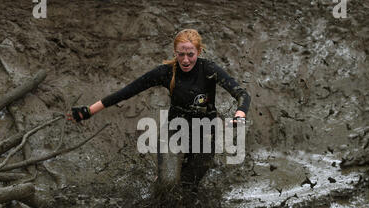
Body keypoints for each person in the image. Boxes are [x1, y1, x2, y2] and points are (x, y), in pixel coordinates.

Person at [68, 29, 251, 193]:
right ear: (175, 53)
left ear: (199, 52)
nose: (185, 60)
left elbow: (242, 94)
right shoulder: (166, 72)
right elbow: (128, 91)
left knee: (188, 188)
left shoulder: (209, 69)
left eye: (190, 54)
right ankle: (161, 183)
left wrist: (240, 113)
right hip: (175, 131)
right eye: (181, 54)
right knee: (168, 185)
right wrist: (89, 111)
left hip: (206, 134)